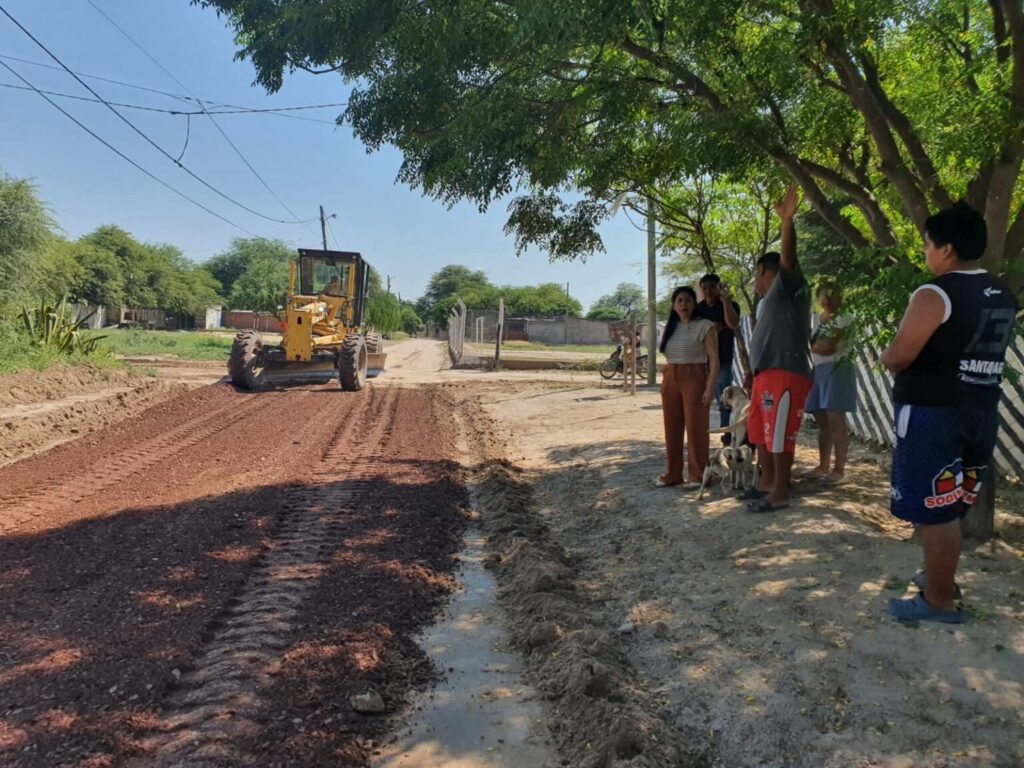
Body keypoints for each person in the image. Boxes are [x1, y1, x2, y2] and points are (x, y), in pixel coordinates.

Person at [882, 202, 1017, 624]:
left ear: (946, 249)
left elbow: (901, 355)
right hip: (981, 409)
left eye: (927, 245)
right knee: (953, 503)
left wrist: (887, 354)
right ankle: (939, 579)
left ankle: (937, 601)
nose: (926, 253)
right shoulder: (1003, 293)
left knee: (936, 508)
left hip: (934, 413)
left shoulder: (935, 293)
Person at [742, 187, 813, 512]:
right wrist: (753, 370)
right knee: (760, 431)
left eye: (756, 275)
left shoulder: (788, 285)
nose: (755, 283)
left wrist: (787, 222)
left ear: (763, 271)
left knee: (780, 431)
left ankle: (781, 491)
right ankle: (766, 482)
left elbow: (789, 260)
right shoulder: (768, 301)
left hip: (787, 368)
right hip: (766, 372)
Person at [657, 286, 719, 489]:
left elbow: (714, 359)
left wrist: (710, 387)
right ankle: (672, 474)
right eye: (679, 300)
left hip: (695, 376)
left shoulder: (705, 326)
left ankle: (698, 475)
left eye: (688, 300)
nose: (683, 304)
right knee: (672, 427)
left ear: (694, 304)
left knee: (696, 427)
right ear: (674, 306)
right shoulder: (669, 327)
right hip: (671, 376)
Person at [802, 283, 857, 485]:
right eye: (824, 295)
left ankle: (839, 470)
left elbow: (828, 347)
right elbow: (816, 346)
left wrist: (812, 345)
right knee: (821, 418)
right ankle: (823, 466)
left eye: (832, 294)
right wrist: (814, 346)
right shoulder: (816, 319)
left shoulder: (845, 317)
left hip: (838, 368)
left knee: (835, 418)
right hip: (818, 370)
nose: (828, 299)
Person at [694, 274, 741, 440]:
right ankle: (699, 437)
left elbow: (733, 323)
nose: (708, 291)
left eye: (712, 287)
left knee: (724, 402)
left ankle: (726, 437)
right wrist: (712, 329)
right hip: (701, 363)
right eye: (704, 288)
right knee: (699, 402)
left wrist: (726, 302)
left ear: (718, 288)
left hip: (723, 362)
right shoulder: (697, 309)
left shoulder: (731, 305)